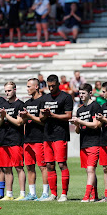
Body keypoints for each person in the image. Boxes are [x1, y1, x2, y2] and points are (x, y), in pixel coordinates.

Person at [39, 74, 73, 202]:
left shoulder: (66, 97)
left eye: (53, 86)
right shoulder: (44, 98)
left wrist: (52, 115)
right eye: (49, 86)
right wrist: (45, 115)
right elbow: (41, 118)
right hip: (47, 135)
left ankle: (64, 194)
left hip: (60, 134)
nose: (51, 88)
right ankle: (53, 194)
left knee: (61, 164)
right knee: (49, 164)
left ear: (58, 84)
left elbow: (68, 115)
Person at [69, 83, 101, 202]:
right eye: (80, 93)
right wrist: (77, 124)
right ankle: (95, 195)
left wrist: (80, 121)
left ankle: (86, 196)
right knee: (89, 171)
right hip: (84, 143)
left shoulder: (95, 106)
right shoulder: (80, 109)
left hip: (94, 142)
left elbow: (96, 124)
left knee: (90, 169)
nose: (81, 95)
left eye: (83, 93)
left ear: (90, 93)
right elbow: (78, 131)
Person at [20, 78, 49, 201]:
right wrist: (23, 118)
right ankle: (32, 194)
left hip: (40, 138)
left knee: (43, 166)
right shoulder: (27, 103)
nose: (27, 89)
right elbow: (24, 121)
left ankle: (46, 193)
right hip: (28, 139)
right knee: (29, 167)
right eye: (27, 87)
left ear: (36, 87)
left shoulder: (43, 101)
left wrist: (29, 116)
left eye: (29, 86)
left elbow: (43, 122)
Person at [0, 82, 26, 201]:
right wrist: (2, 117)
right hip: (4, 140)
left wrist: (6, 115)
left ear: (15, 89)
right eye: (5, 91)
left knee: (18, 167)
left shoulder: (20, 105)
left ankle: (22, 193)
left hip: (15, 140)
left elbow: (19, 122)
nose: (7, 93)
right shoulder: (3, 104)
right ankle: (9, 194)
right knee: (6, 168)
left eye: (9, 90)